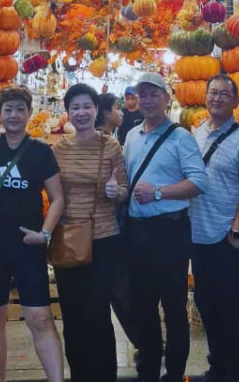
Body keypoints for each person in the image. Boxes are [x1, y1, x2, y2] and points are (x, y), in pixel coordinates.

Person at [123, 71, 209, 382]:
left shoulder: (180, 137)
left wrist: (158, 192)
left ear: (166, 98)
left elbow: (199, 182)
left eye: (153, 94)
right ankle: (148, 370)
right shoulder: (131, 136)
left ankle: (174, 373)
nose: (147, 100)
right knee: (142, 306)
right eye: (142, 94)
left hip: (170, 232)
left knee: (173, 307)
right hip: (137, 232)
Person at [0, 85, 65, 382]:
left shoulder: (41, 152)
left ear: (29, 113)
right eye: (8, 110)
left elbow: (57, 199)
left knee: (40, 317)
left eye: (19, 109)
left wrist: (45, 234)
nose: (13, 115)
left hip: (29, 246)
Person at [51, 83, 129, 382]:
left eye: (87, 106)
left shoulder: (110, 146)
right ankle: (80, 375)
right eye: (75, 107)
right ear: (68, 112)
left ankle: (104, 375)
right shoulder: (58, 149)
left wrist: (115, 191)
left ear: (96, 110)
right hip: (68, 239)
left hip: (104, 239)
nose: (81, 112)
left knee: (97, 312)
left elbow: (124, 190)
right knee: (72, 315)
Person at [190, 74, 239, 382]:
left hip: (227, 239)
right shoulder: (197, 132)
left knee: (232, 312)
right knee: (207, 306)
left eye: (224, 94)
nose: (217, 98)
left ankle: (235, 373)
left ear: (235, 101)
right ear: (205, 97)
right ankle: (217, 367)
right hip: (198, 237)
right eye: (213, 93)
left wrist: (236, 231)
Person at [96, 92, 144, 367]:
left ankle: (143, 342)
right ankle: (144, 342)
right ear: (105, 113)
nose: (121, 112)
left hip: (113, 227)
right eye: (117, 107)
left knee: (120, 289)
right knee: (120, 289)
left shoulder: (113, 141)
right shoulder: (105, 143)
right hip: (110, 228)